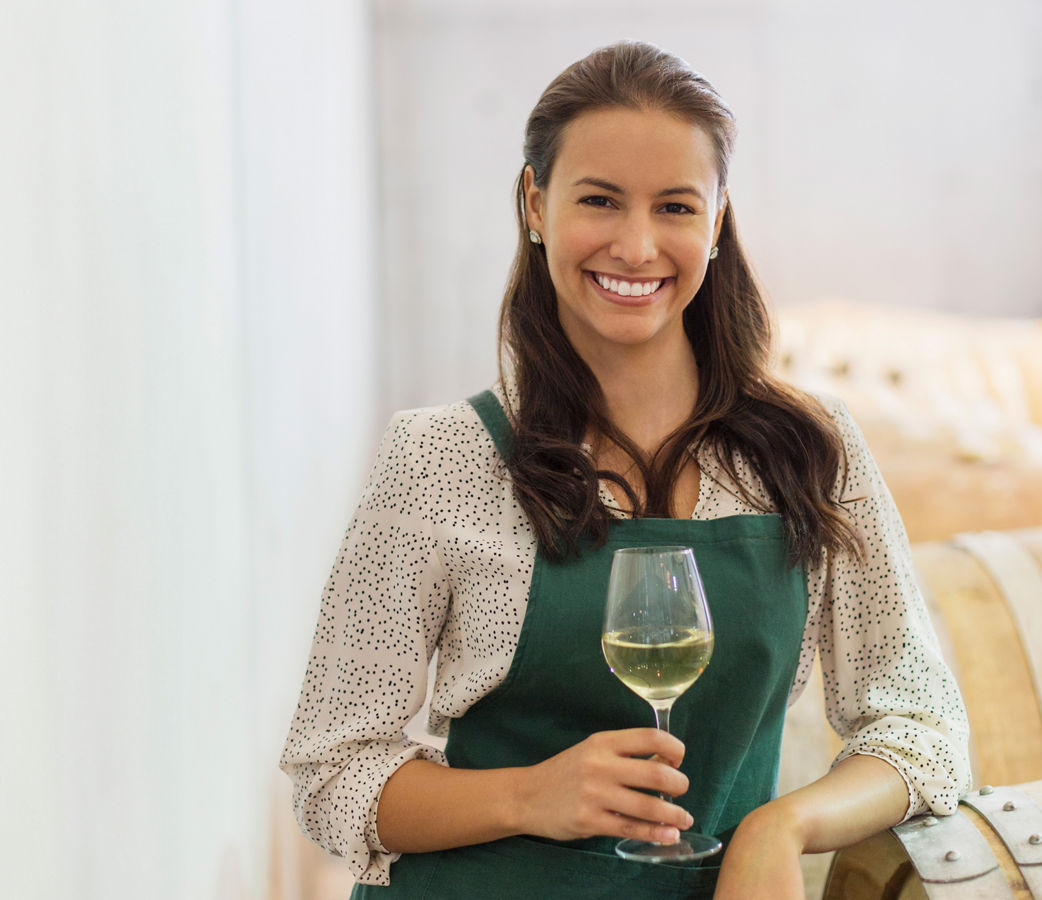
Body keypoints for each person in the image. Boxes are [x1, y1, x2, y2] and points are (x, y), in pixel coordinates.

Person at [280, 40, 970, 899]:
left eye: (676, 207)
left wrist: (779, 829)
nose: (637, 246)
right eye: (600, 200)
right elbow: (333, 771)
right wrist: (530, 796)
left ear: (717, 221)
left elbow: (920, 726)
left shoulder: (809, 450)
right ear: (536, 204)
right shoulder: (438, 457)